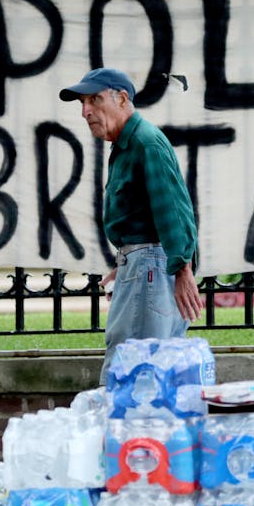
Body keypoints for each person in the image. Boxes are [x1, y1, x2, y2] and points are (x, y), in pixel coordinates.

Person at [59, 67, 204, 377]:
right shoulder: (130, 144)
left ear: (122, 99)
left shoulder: (145, 143)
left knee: (131, 372)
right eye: (83, 103)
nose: (86, 111)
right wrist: (127, 261)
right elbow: (146, 216)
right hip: (145, 266)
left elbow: (174, 208)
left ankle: (127, 427)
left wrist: (181, 267)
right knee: (151, 372)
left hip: (151, 269)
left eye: (94, 100)